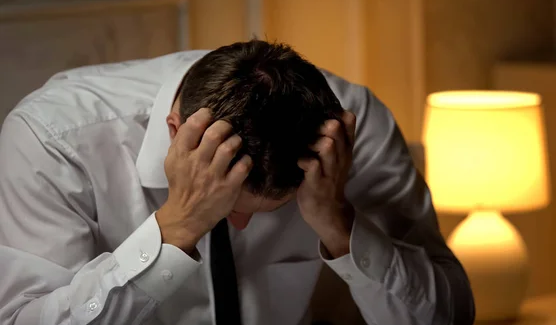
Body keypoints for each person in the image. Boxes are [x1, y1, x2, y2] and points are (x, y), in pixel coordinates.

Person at [0, 40, 474, 325]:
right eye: (231, 206)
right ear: (175, 132)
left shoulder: (350, 126)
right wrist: (175, 231)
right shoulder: (54, 141)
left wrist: (339, 224)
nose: (241, 225)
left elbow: (448, 318)